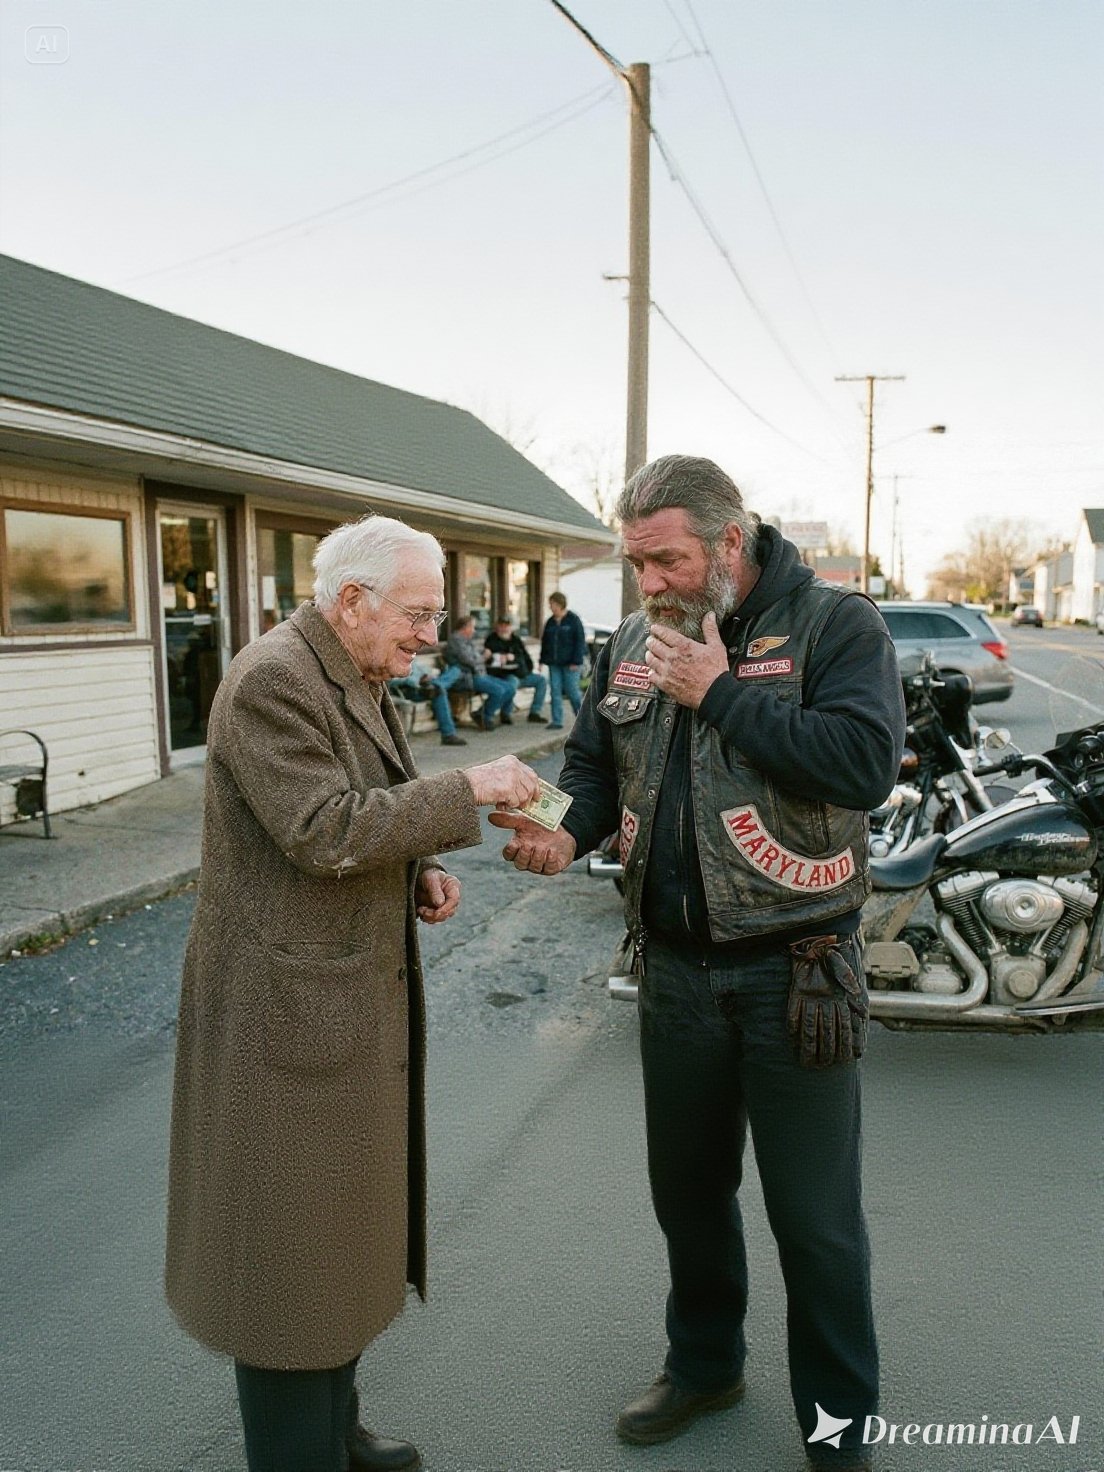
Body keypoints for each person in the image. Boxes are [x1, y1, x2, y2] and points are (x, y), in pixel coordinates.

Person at [490, 456, 905, 1469]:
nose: (651, 584)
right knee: (688, 1194)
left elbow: (862, 763)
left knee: (814, 1221)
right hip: (673, 968)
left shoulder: (836, 627)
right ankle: (706, 1363)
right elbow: (594, 764)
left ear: (730, 541)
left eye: (666, 559)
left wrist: (721, 692)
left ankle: (839, 1420)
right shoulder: (634, 640)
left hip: (795, 967)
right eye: (636, 563)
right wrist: (560, 829)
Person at [164, 514, 541, 1472]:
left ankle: (336, 1429)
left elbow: (357, 815)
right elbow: (322, 826)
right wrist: (467, 792)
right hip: (280, 1020)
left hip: (332, 1005)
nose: (430, 634)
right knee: (289, 1255)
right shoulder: (273, 681)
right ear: (351, 602)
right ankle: (300, 1451)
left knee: (337, 1235)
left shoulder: (354, 670)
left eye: (437, 614)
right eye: (418, 615)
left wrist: (414, 869)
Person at [442, 613, 516, 730]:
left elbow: (476, 654)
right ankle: (485, 717)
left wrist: (483, 654)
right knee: (499, 691)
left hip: (479, 674)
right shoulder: (456, 640)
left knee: (510, 688)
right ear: (465, 628)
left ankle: (480, 713)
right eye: (472, 627)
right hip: (467, 677)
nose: (474, 630)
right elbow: (468, 660)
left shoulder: (466, 640)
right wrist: (484, 657)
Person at [483, 613, 549, 723]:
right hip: (504, 675)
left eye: (506, 625)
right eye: (502, 625)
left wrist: (526, 669)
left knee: (541, 680)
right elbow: (491, 661)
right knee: (512, 684)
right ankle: (505, 713)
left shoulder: (516, 640)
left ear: (511, 627)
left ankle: (534, 712)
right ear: (497, 626)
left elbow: (526, 658)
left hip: (522, 673)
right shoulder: (492, 640)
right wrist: (504, 658)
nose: (504, 628)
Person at [387, 665, 468, 746]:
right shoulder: (390, 660)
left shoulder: (409, 656)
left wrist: (425, 675)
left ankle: (436, 685)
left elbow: (423, 668)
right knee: (439, 690)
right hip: (407, 690)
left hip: (423, 686)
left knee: (452, 674)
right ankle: (448, 734)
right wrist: (418, 679)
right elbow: (392, 681)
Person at [539, 591, 586, 729]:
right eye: (550, 604)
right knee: (555, 691)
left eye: (553, 604)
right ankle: (557, 721)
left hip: (571, 663)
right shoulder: (550, 622)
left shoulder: (573, 620)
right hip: (554, 663)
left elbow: (580, 642)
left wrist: (576, 661)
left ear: (560, 604)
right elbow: (545, 642)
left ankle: (583, 719)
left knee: (572, 692)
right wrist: (542, 660)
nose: (551, 607)